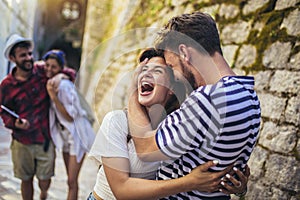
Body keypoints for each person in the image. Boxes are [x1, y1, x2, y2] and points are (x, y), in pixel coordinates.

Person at [128, 12, 261, 199]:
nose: (174, 76)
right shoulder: (249, 96)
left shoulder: (208, 99)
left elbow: (146, 150)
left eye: (172, 66)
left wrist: (133, 89)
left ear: (184, 53)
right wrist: (240, 188)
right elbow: (230, 173)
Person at [88, 48, 248, 200]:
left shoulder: (177, 127)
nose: (146, 75)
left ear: (171, 87)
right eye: (143, 71)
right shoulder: (116, 121)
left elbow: (208, 171)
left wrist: (238, 187)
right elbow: (121, 190)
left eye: (157, 71)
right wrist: (189, 182)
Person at [0, 34, 75, 200]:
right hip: (22, 142)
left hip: (45, 140)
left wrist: (62, 76)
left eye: (29, 53)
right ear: (12, 58)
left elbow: (70, 72)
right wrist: (15, 123)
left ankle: (43, 194)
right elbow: (4, 111)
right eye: (23, 55)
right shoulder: (6, 85)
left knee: (45, 179)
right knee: (25, 180)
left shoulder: (42, 70)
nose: (29, 58)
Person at [42, 49, 95, 200]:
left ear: (60, 68)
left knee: (72, 181)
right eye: (47, 65)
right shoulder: (53, 81)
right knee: (69, 180)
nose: (49, 69)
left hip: (77, 135)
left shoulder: (63, 86)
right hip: (66, 135)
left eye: (54, 67)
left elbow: (70, 117)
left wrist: (53, 96)